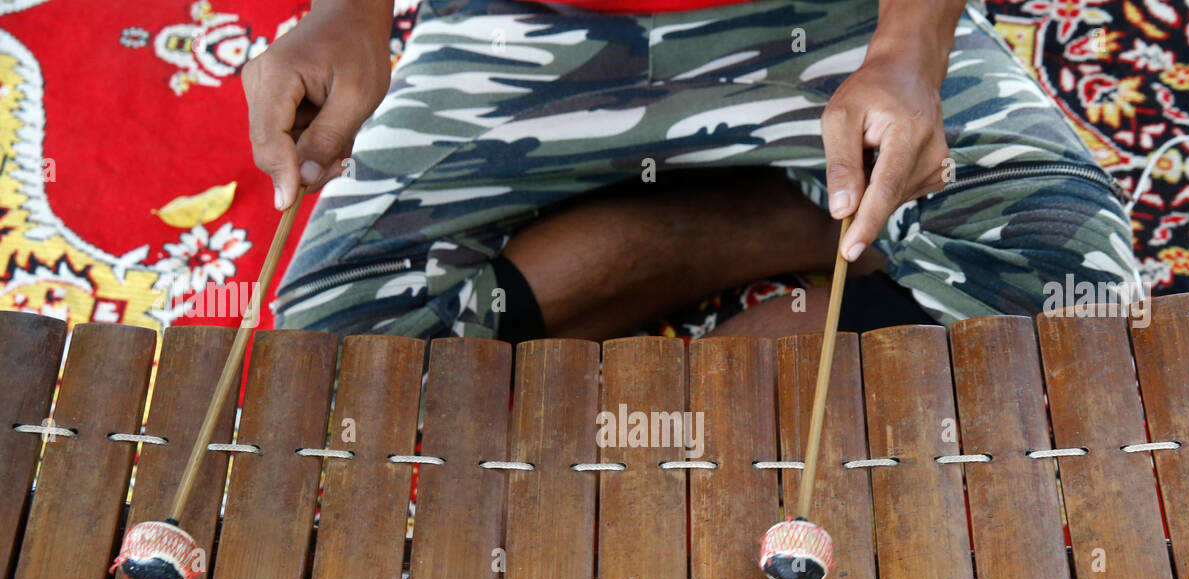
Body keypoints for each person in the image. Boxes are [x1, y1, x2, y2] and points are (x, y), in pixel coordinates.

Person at [244, 0, 1138, 341]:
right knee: (332, 363)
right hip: (518, 29)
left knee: (1075, 287)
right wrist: (349, 14)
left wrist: (909, 49)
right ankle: (786, 219)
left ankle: (810, 217)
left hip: (827, 20)